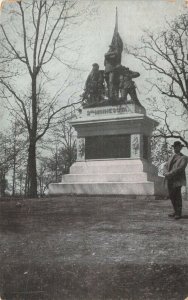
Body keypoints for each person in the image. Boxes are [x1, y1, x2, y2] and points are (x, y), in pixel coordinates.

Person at [164, 141, 188, 219]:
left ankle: (178, 213)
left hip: (177, 179)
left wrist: (170, 173)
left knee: (177, 195)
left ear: (180, 148)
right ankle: (175, 211)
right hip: (169, 179)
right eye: (174, 147)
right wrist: (165, 172)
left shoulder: (184, 157)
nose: (175, 148)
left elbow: (180, 168)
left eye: (177, 147)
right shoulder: (171, 156)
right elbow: (165, 165)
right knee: (171, 196)